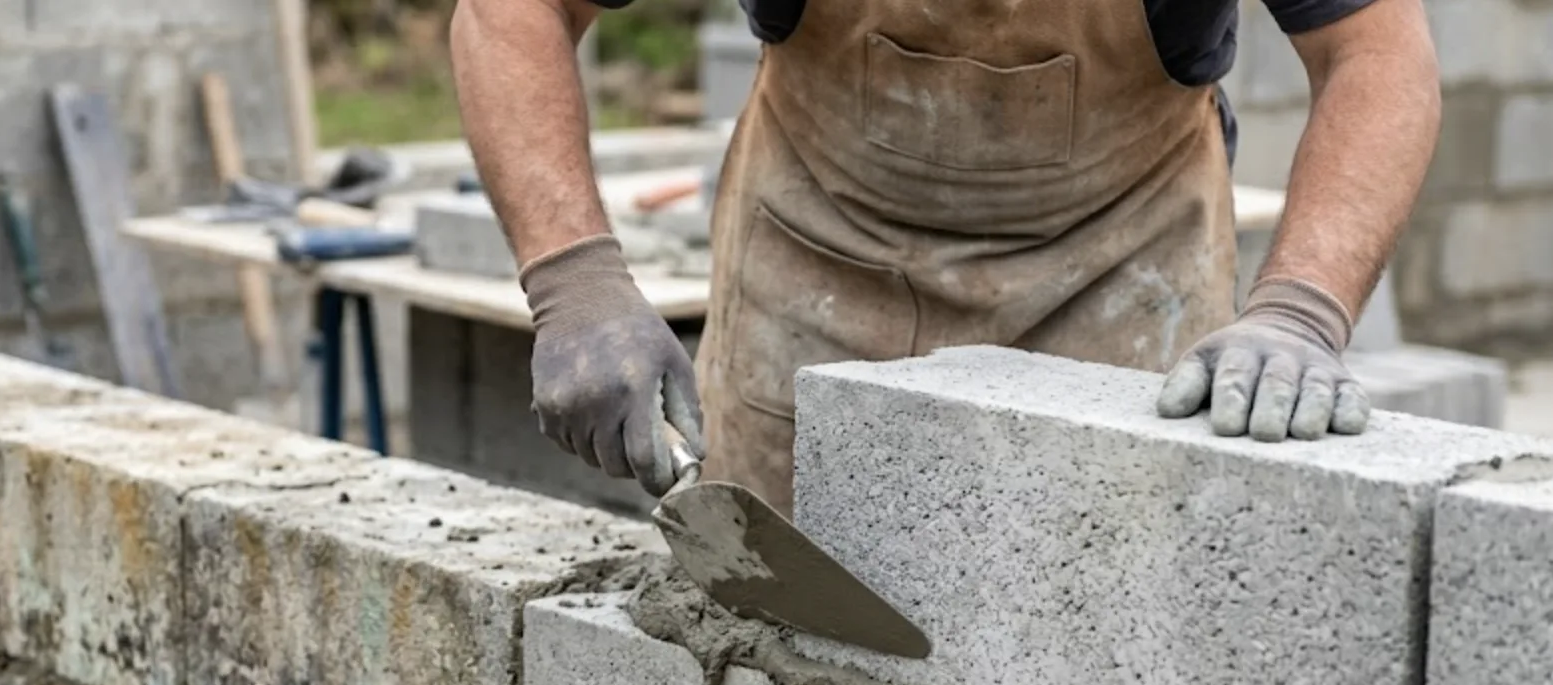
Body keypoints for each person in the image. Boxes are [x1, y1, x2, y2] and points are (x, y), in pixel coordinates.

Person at [449, 0, 1443, 515]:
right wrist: (573, 279)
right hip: (814, 260)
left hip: (1119, 269)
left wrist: (1299, 308)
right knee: (780, 670)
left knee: (1103, 648)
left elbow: (1378, 54)